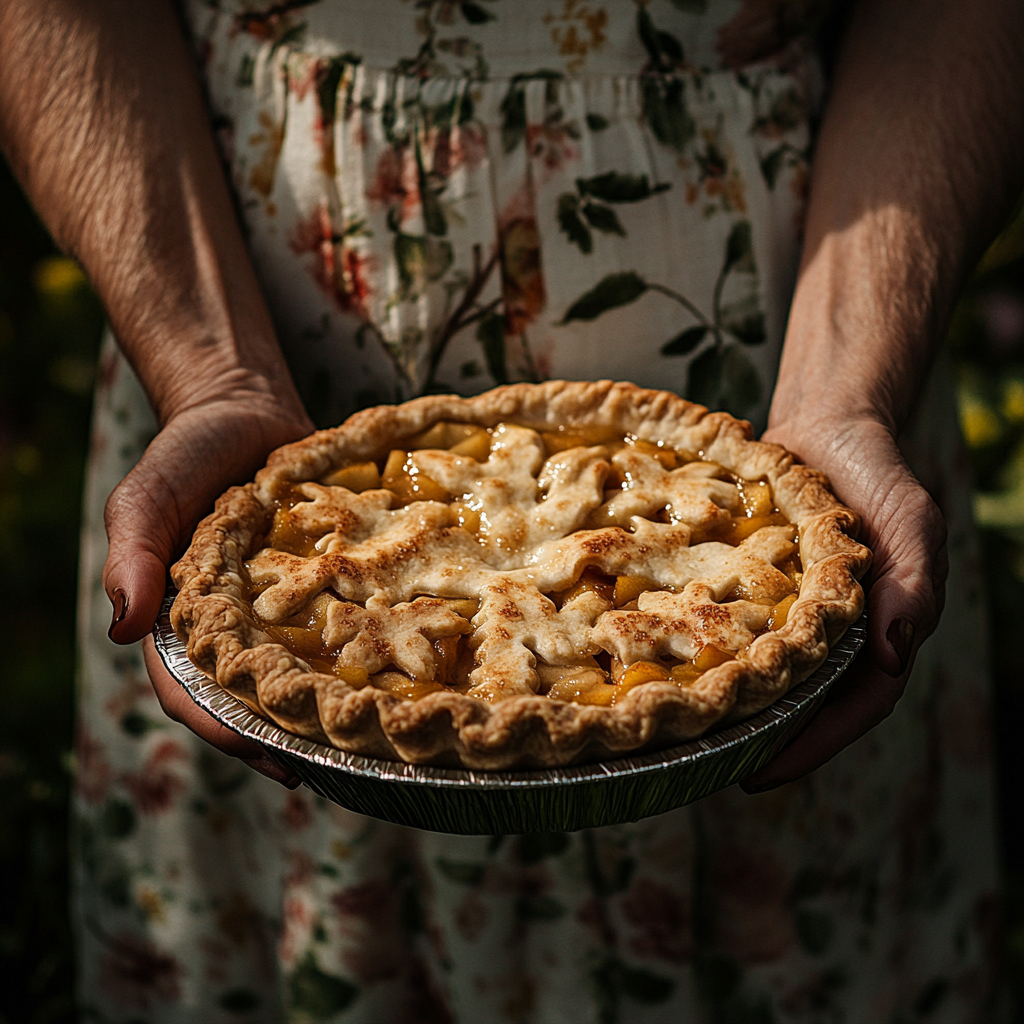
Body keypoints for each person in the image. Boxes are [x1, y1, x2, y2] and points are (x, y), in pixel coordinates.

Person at [2, 0, 1022, 1019]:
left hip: (822, 341)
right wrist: (212, 373)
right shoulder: (278, 557)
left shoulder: (787, 524)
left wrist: (846, 388)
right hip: (211, 291)